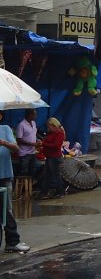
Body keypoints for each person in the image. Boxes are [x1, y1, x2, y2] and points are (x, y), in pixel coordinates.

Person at [0, 110, 30, 253]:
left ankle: (12, 242)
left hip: (4, 176)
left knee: (7, 210)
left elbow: (16, 148)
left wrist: (4, 142)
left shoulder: (5, 129)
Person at [36, 117, 66, 199]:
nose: (48, 127)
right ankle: (44, 193)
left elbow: (56, 146)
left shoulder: (59, 133)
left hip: (55, 157)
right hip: (49, 157)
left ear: (53, 125)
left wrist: (43, 144)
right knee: (47, 175)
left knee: (56, 175)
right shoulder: (50, 133)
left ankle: (60, 192)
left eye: (49, 126)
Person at [15, 108, 38, 179]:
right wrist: (33, 144)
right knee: (23, 172)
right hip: (24, 153)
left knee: (32, 172)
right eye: (34, 114)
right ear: (29, 115)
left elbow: (33, 135)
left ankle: (29, 188)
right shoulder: (21, 125)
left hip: (33, 152)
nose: (36, 116)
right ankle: (22, 188)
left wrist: (37, 141)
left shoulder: (34, 123)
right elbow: (19, 140)